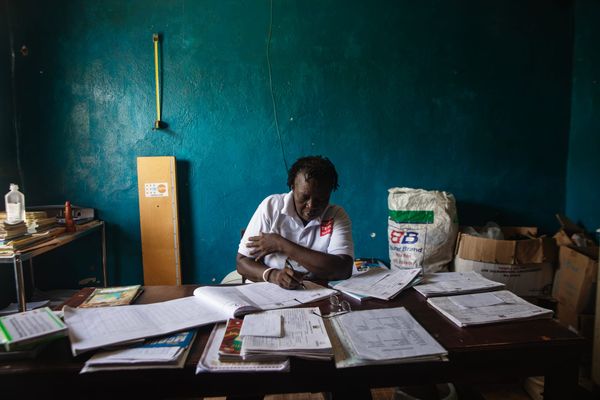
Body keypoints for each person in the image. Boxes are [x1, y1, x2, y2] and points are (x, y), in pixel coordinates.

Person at [236, 155, 354, 288]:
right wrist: (273, 275)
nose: (311, 206)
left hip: (315, 293)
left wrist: (281, 244)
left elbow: (343, 269)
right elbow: (242, 262)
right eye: (304, 197)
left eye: (321, 199)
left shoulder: (336, 215)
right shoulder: (271, 207)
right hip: (268, 292)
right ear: (292, 187)